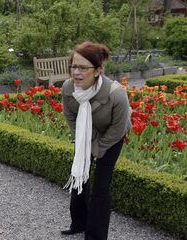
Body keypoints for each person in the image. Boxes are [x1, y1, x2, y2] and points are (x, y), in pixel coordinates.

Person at [60, 42, 131, 240]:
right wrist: (87, 144)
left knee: (101, 186)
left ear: (98, 70)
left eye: (83, 67)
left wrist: (98, 148)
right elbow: (71, 117)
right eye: (73, 66)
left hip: (111, 139)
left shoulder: (116, 94)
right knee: (79, 175)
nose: (76, 72)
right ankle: (79, 223)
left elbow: (118, 128)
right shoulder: (68, 88)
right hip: (85, 135)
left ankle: (95, 235)